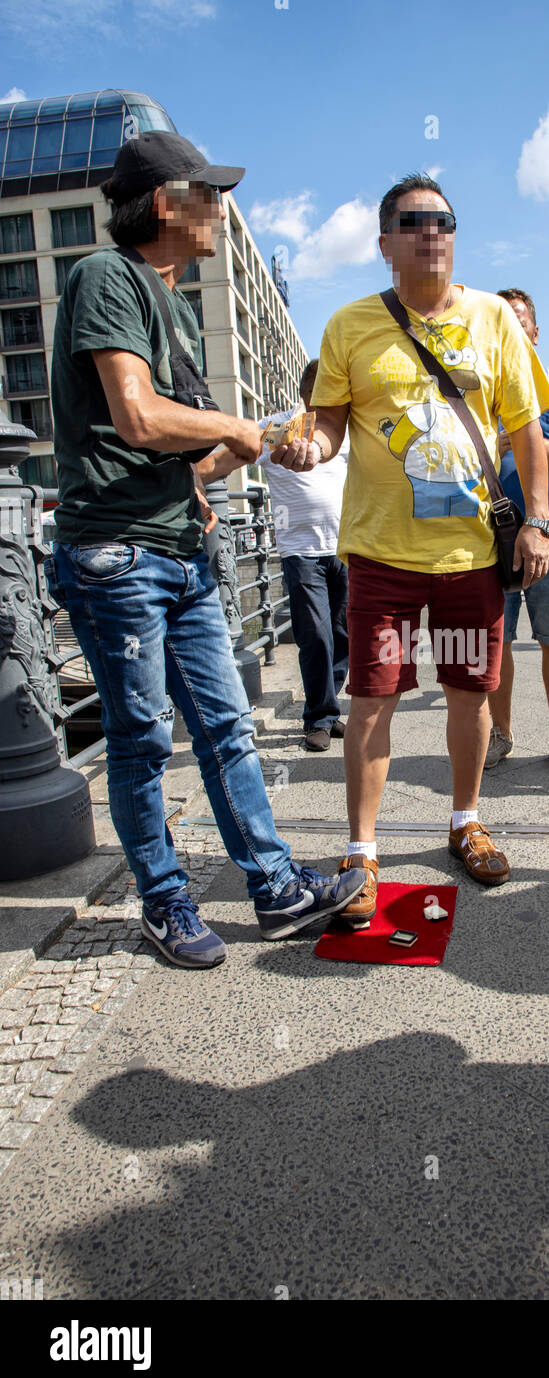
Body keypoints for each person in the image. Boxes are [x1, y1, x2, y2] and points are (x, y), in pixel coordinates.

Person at [46, 131, 365, 968]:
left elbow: (181, 453)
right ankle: (165, 899)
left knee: (226, 729)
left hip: (179, 549)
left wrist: (256, 443)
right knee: (144, 736)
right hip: (117, 554)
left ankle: (273, 888)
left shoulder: (176, 307)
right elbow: (137, 417)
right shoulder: (105, 277)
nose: (222, 209)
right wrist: (232, 425)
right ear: (164, 202)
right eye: (209, 193)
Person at [269, 173, 549, 925]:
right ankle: (361, 851)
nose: (432, 231)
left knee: (470, 693)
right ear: (386, 242)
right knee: (371, 700)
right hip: (383, 557)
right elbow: (329, 423)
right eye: (413, 220)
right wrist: (310, 448)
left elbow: (526, 429)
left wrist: (539, 520)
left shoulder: (495, 319)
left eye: (444, 219)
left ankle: (464, 821)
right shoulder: (350, 325)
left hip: (468, 556)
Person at [485, 288, 549, 774]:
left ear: (534, 331)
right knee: (496, 643)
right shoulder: (481, 391)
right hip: (491, 537)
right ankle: (500, 733)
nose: (511, 327)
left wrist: (528, 442)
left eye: (519, 320)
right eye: (500, 320)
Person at [259, 359, 349, 752]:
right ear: (305, 392)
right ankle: (318, 717)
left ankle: (329, 709)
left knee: (343, 635)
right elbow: (237, 452)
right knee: (315, 636)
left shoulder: (343, 433)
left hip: (344, 547)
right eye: (321, 390)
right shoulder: (277, 427)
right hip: (301, 550)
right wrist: (198, 476)